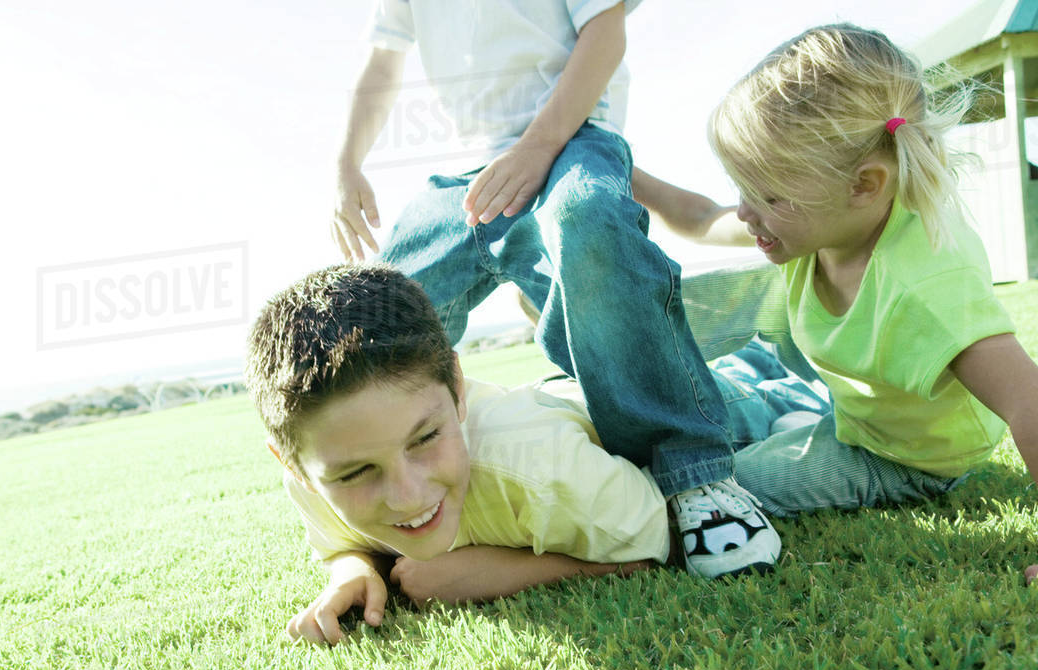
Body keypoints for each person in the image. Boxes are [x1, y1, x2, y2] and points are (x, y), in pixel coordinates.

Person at [329, 1, 780, 578]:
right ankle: (399, 503)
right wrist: (346, 164)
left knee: (584, 216)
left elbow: (605, 30)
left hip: (572, 141)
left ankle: (699, 476)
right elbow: (381, 63)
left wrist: (539, 146)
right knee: (378, 306)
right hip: (473, 176)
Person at [629, 24, 1038, 582]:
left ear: (865, 185)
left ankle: (785, 416)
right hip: (852, 412)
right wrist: (616, 164)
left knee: (716, 486)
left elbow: (1028, 401)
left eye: (768, 194)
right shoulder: (813, 222)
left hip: (906, 460)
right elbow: (701, 219)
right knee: (689, 371)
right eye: (744, 188)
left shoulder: (923, 289)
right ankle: (785, 406)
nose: (747, 212)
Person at [247, 264, 683, 645]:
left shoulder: (542, 470)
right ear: (294, 467)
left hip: (691, 411)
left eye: (424, 438)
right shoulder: (312, 474)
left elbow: (667, 538)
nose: (408, 497)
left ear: (458, 386)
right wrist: (354, 569)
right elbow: (344, 544)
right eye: (357, 473)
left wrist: (500, 573)